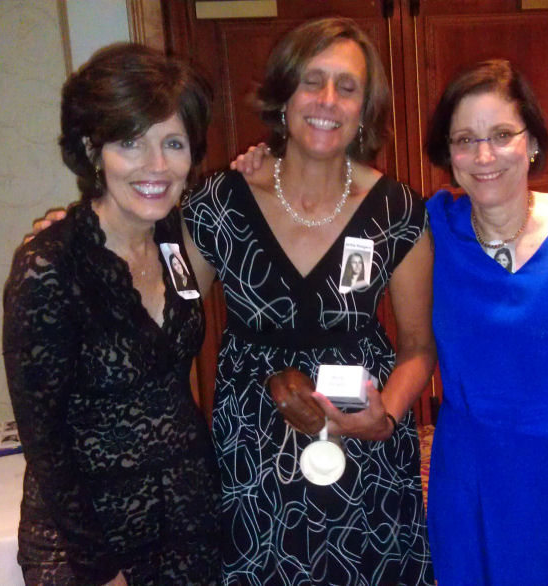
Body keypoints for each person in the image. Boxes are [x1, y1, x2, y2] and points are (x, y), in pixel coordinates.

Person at [182, 17, 436, 585]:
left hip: (363, 445)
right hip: (251, 451)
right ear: (283, 95)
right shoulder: (218, 204)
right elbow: (167, 323)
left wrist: (385, 417)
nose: (327, 100)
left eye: (347, 87)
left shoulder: (397, 211)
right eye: (311, 81)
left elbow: (419, 345)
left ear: (365, 107)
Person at [2, 44, 221, 585]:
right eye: (130, 142)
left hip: (188, 524)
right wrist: (100, 570)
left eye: (173, 143)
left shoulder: (173, 239)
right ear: (92, 150)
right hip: (89, 542)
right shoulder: (49, 265)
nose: (157, 165)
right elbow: (45, 441)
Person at [423, 59, 548, 584]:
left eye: (501, 135)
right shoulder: (432, 229)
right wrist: (271, 168)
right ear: (448, 153)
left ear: (532, 140)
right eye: (465, 140)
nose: (483, 156)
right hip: (471, 479)